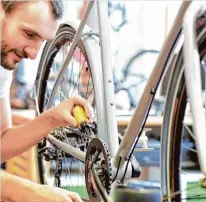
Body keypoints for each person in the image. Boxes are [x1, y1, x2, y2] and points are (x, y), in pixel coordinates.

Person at [0, 1, 93, 202]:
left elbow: (1, 144)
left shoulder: (3, 63)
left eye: (41, 41)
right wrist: (28, 192)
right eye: (29, 34)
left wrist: (51, 119)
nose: (33, 54)